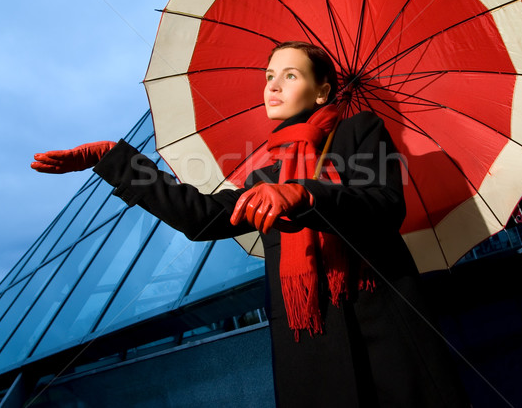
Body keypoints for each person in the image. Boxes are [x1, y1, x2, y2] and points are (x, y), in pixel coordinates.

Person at [32, 41, 470, 407]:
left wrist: (305, 193)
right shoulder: (267, 173)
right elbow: (200, 218)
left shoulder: (361, 130)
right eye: (268, 76)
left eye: (290, 75)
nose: (273, 85)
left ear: (322, 92)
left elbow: (385, 205)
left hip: (386, 324)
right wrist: (111, 157)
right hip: (310, 343)